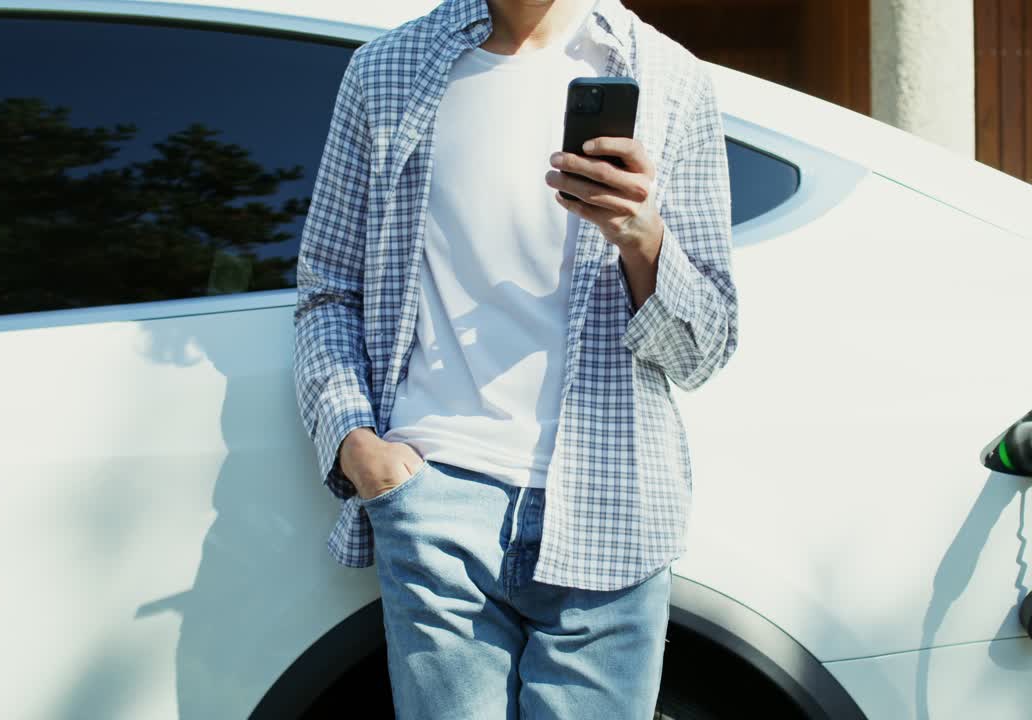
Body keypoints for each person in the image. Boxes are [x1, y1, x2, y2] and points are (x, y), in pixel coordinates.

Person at [292, 0, 738, 716]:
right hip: (436, 500)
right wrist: (357, 448)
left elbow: (702, 349)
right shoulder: (387, 72)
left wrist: (642, 239)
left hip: (613, 509)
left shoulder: (670, 79)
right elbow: (329, 291)